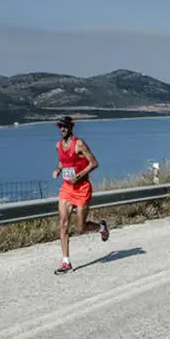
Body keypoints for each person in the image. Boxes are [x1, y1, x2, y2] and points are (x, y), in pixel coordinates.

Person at [51, 115, 109, 274]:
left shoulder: (79, 144)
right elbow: (62, 161)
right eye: (60, 127)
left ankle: (102, 227)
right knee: (63, 224)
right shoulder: (58, 145)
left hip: (82, 188)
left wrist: (79, 175)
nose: (62, 129)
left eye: (65, 126)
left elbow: (94, 163)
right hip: (67, 188)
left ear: (71, 127)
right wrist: (58, 170)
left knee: (80, 228)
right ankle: (66, 262)